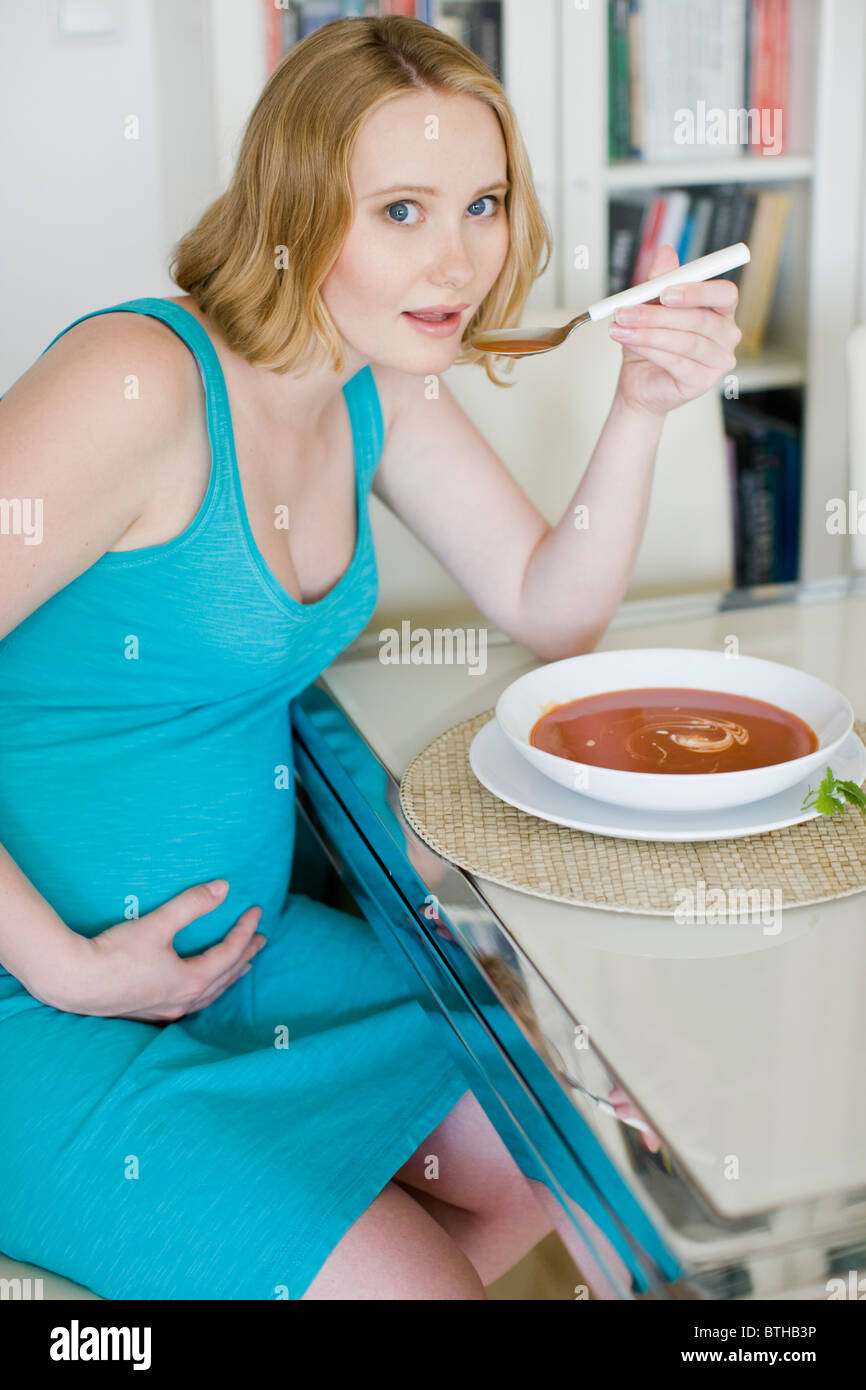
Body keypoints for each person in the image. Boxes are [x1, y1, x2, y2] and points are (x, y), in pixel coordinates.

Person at [0, 14, 739, 1300]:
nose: (454, 258)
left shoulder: (376, 377)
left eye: (482, 203)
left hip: (239, 952)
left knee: (572, 1155)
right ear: (295, 211)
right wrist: (61, 961)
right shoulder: (140, 381)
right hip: (41, 1000)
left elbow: (546, 604)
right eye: (399, 210)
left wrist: (641, 409)